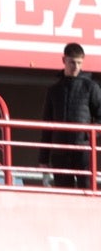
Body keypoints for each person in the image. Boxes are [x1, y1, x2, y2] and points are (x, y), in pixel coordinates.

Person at [40, 42, 101, 188]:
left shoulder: (91, 87)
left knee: (86, 192)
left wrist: (88, 135)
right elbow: (46, 127)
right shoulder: (54, 90)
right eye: (72, 62)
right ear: (64, 60)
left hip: (83, 150)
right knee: (63, 193)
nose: (76, 66)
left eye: (79, 63)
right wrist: (43, 159)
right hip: (59, 151)